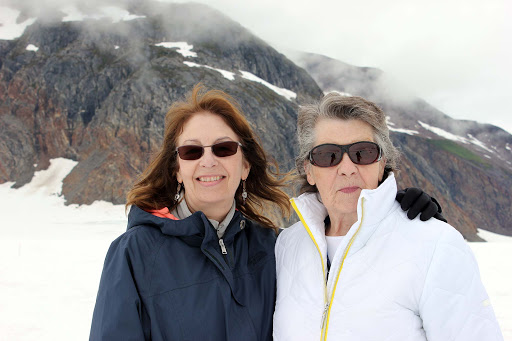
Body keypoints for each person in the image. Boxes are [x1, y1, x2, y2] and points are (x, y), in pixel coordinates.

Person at [89, 85, 446, 341]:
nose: (209, 161)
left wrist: (392, 211)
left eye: (224, 148)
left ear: (245, 165)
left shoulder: (270, 246)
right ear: (176, 169)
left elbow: (335, 297)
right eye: (192, 152)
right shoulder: (134, 254)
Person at [272, 93, 504, 340]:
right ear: (309, 170)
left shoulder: (436, 245)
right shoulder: (286, 247)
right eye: (328, 155)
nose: (347, 168)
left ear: (382, 163)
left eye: (363, 153)